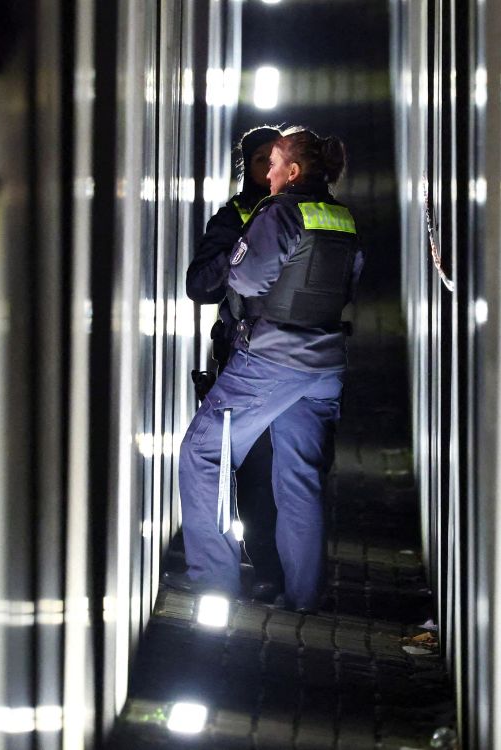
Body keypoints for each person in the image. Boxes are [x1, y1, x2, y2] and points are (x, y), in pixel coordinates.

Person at [178, 126, 363, 613]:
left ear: (293, 170)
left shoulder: (280, 211)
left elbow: (246, 276)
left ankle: (215, 582)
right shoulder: (341, 217)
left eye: (276, 162)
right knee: (299, 477)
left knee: (202, 453)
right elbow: (350, 280)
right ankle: (303, 598)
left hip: (272, 357)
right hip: (325, 363)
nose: (269, 172)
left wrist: (243, 255)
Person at [182, 125, 285, 602]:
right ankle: (255, 566)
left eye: (278, 158)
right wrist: (242, 253)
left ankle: (274, 569)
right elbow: (200, 285)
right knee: (243, 468)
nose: (272, 168)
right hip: (241, 356)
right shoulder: (234, 215)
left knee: (283, 472)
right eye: (262, 159)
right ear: (248, 166)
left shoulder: (299, 210)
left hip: (287, 359)